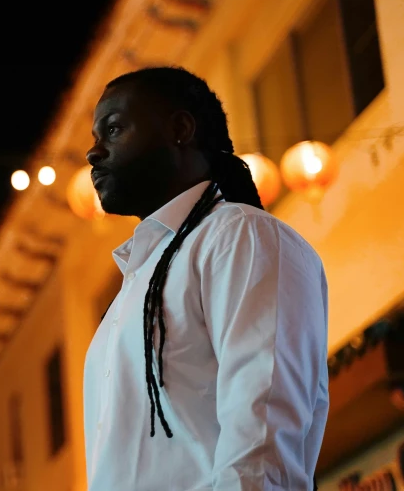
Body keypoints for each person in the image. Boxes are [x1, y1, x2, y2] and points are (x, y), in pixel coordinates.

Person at [83, 66, 329, 491]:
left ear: (180, 128)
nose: (93, 153)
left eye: (114, 129)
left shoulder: (240, 236)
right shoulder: (131, 290)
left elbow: (263, 434)